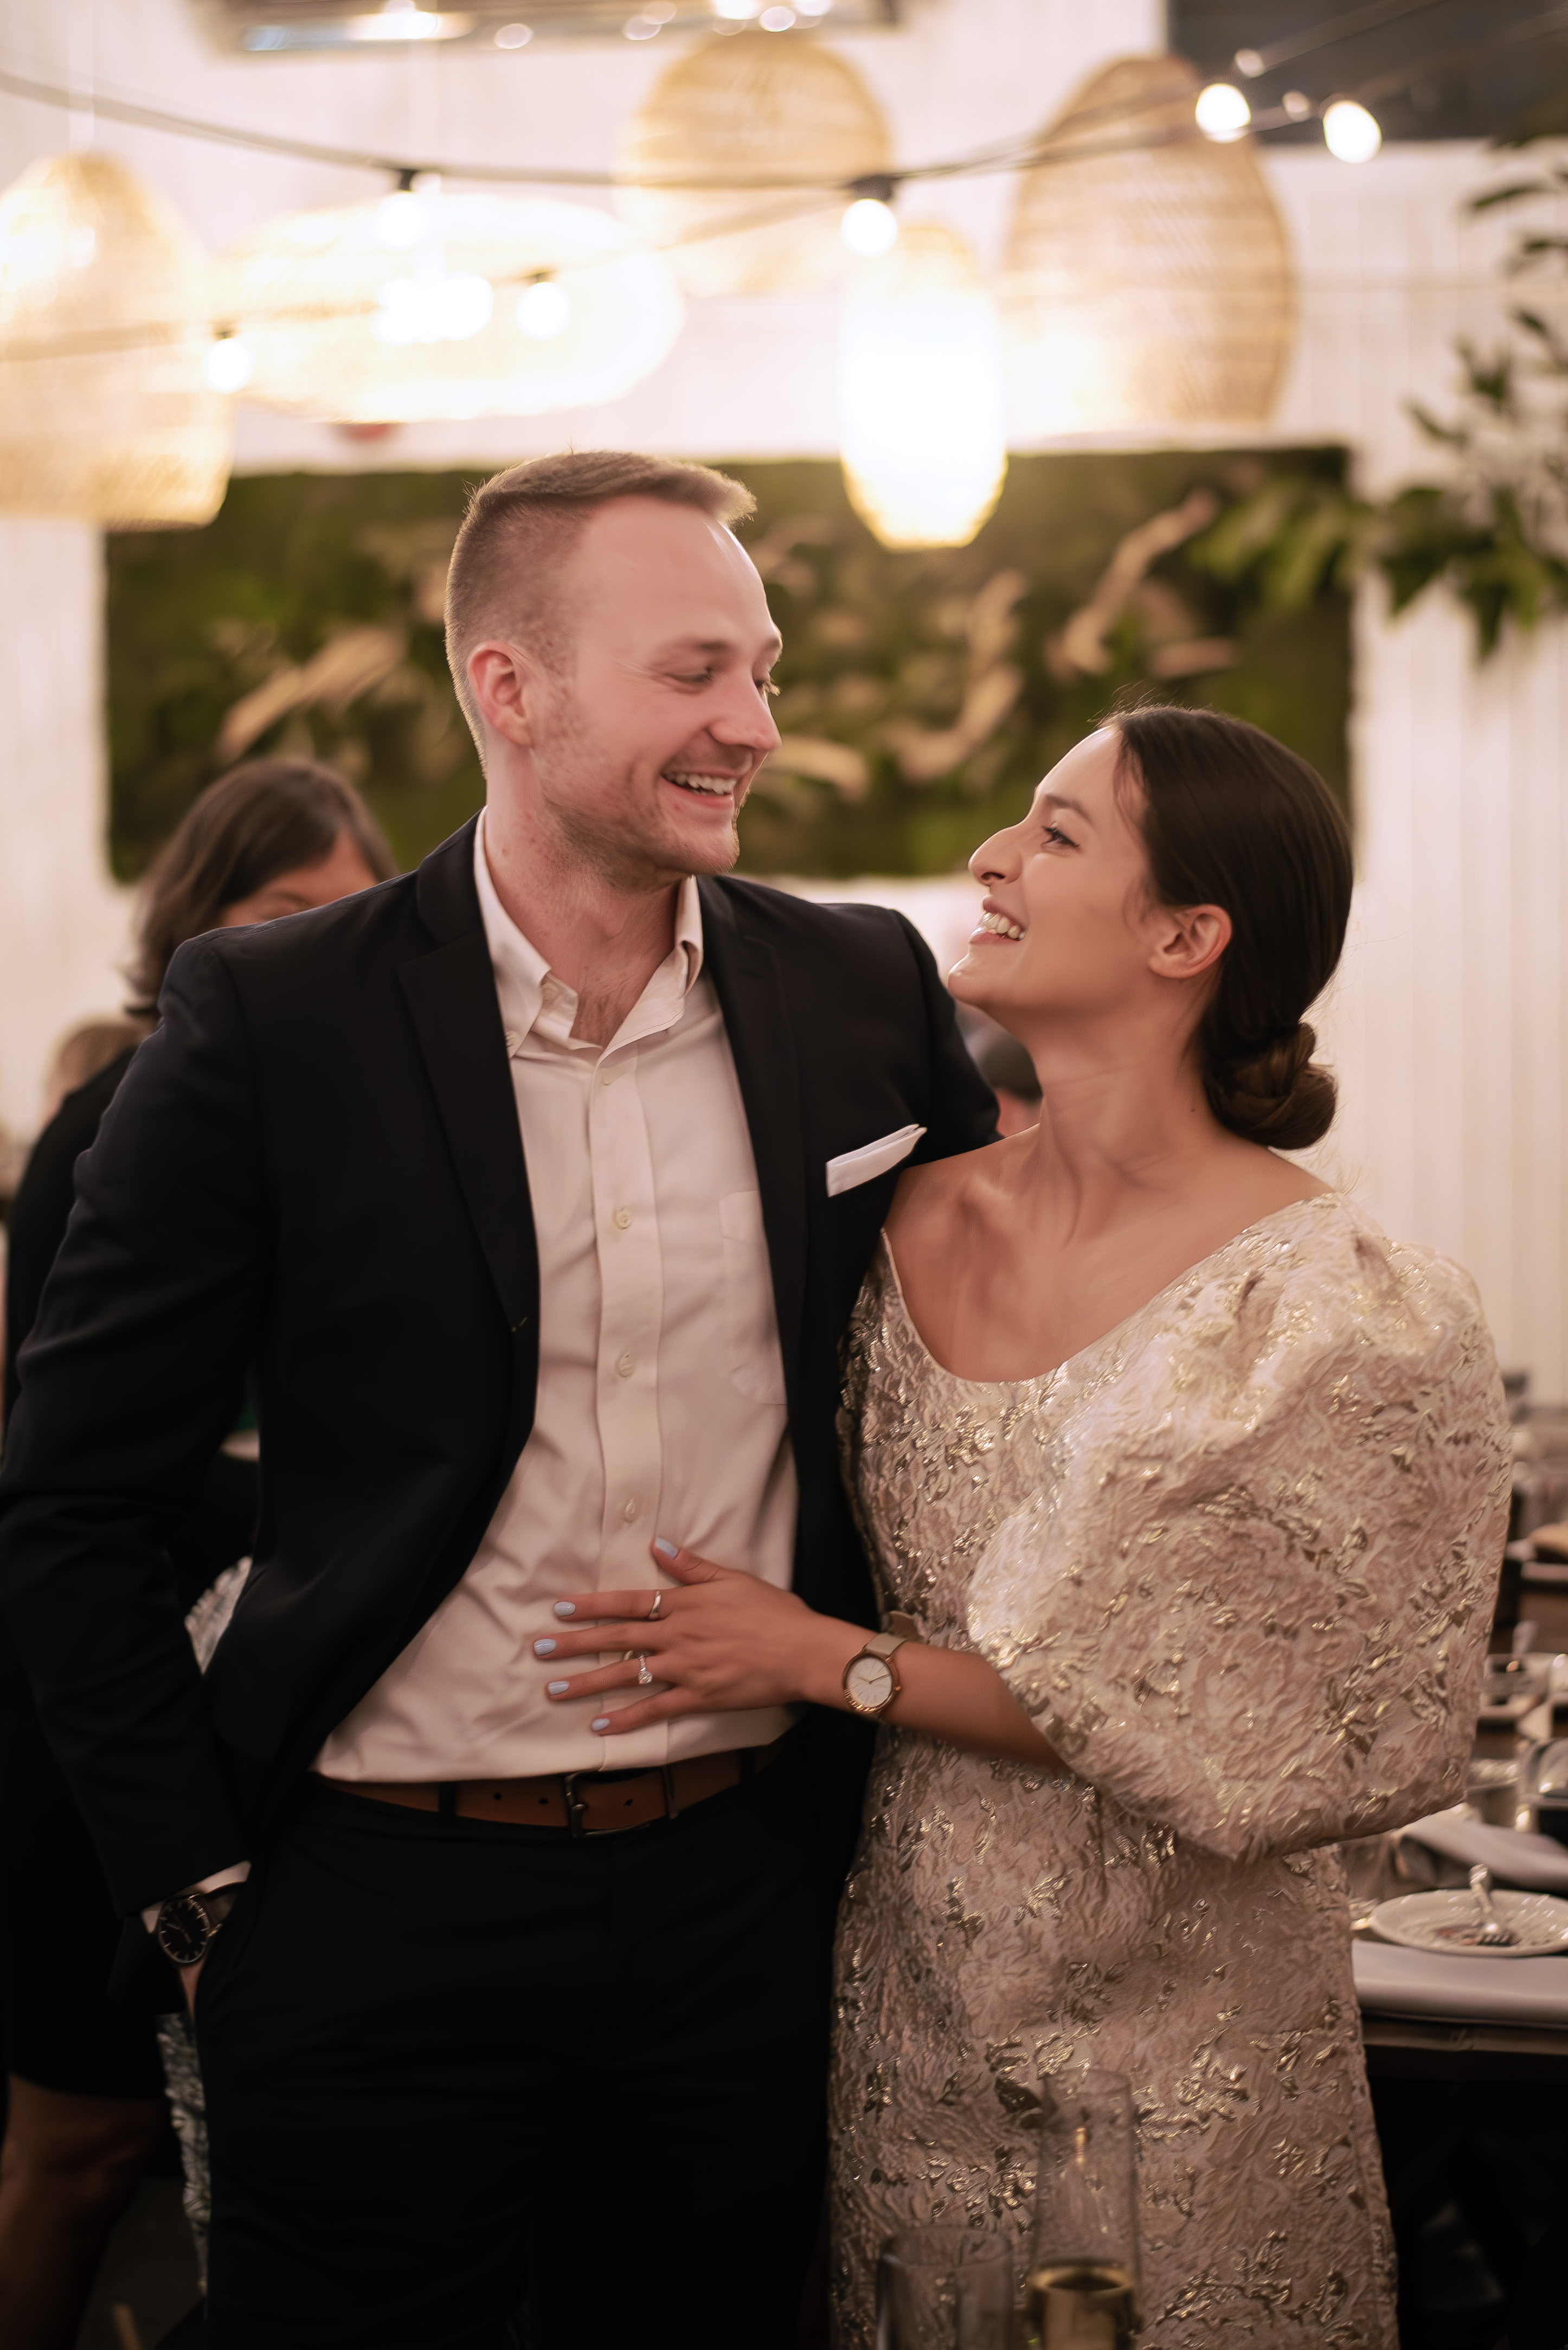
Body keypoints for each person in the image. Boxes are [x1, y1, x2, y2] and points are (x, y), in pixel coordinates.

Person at [0, 451, 998, 2350]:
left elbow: (1021, 1328)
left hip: (739, 1896)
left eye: (763, 671)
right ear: (506, 687)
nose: (755, 727)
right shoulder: (269, 1020)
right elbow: (70, 1505)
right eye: (695, 673)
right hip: (373, 1910)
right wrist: (206, 1907)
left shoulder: (859, 990)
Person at [532, 705, 1512, 2346]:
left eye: (1055, 834)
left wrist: (829, 1664)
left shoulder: (1340, 1311)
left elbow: (1313, 1725)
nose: (990, 858)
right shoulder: (901, 1218)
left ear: (1185, 936)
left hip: (1193, 2043)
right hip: (902, 2010)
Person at [0, 755, 394, 2350]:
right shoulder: (117, 1116)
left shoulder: (383, 1126)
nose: (317, 949)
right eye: (279, 915)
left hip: (288, 1703)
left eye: (347, 917)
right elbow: (73, 1475)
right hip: (100, 1687)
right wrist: (337, 1509)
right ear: (191, 932)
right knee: (78, 2137)